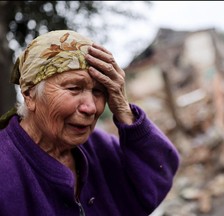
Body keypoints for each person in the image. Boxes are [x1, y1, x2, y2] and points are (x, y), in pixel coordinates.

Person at [0, 30, 180, 216]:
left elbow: (158, 178)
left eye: (98, 92)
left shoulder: (98, 145)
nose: (91, 107)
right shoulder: (5, 168)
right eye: (74, 88)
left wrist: (124, 112)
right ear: (29, 94)